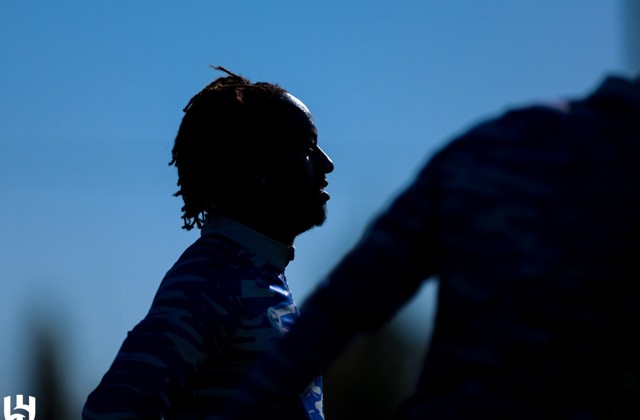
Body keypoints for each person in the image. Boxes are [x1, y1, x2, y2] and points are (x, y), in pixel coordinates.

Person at [228, 73, 640, 419]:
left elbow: (343, 305)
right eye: (305, 147)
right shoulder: (219, 284)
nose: (327, 164)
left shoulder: (491, 145)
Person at [82, 67, 334, 419]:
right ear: (258, 161)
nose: (326, 163)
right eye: (307, 146)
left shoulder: (254, 274)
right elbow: (114, 408)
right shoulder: (213, 279)